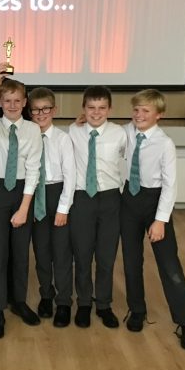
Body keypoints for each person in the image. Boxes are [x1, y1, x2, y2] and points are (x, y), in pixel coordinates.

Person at [120, 89, 185, 350]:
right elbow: (104, 134)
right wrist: (81, 122)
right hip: (129, 200)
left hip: (155, 202)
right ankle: (137, 310)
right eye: (136, 110)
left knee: (169, 265)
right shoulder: (126, 132)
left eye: (146, 111)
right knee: (131, 261)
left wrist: (160, 220)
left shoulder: (165, 144)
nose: (139, 115)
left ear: (159, 115)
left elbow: (170, 185)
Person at [0, 68, 42, 339]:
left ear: (25, 102)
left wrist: (24, 208)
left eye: (18, 101)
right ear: (1, 103)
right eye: (7, 101)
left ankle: (18, 301)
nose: (13, 105)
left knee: (20, 252)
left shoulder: (32, 130)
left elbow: (34, 169)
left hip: (22, 193)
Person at [68, 86, 126, 329]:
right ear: (83, 108)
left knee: (106, 256)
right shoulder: (73, 131)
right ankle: (83, 303)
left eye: (102, 108)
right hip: (82, 198)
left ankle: (103, 304)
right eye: (91, 107)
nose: (96, 112)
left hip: (110, 199)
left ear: (110, 109)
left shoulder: (120, 133)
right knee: (82, 255)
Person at [27, 87, 76, 327]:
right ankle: (46, 295)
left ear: (54, 110)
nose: (40, 114)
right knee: (42, 251)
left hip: (57, 194)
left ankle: (64, 301)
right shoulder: (27, 137)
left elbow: (71, 176)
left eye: (45, 109)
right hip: (34, 194)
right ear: (30, 112)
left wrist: (63, 209)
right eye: (35, 110)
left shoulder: (63, 139)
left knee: (62, 253)